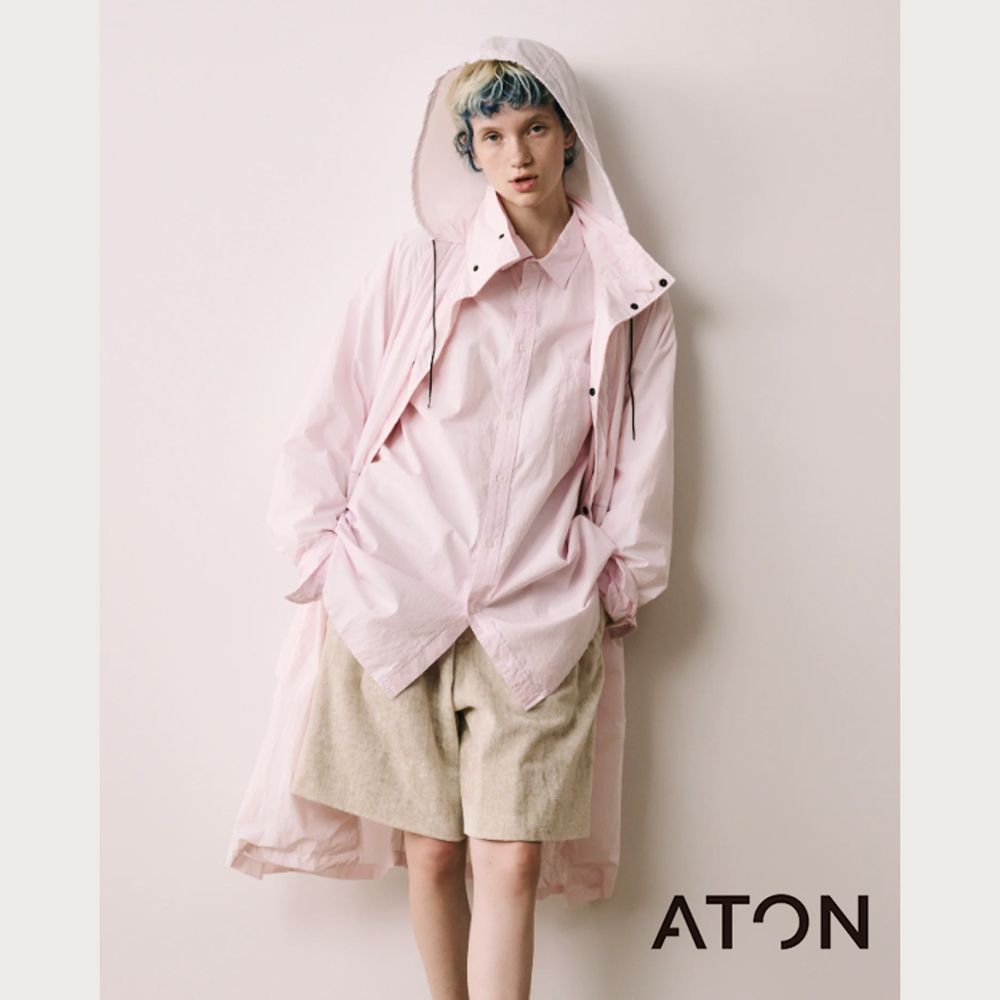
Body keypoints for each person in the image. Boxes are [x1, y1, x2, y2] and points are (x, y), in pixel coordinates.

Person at [227, 36, 677, 1000]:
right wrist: (324, 559)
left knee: (509, 859)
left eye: (535, 128)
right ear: (470, 148)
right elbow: (333, 414)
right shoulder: (419, 266)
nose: (517, 154)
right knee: (430, 854)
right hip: (396, 597)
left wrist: (615, 583)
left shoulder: (630, 293)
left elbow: (645, 462)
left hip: (539, 609)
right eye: (492, 134)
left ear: (568, 137)